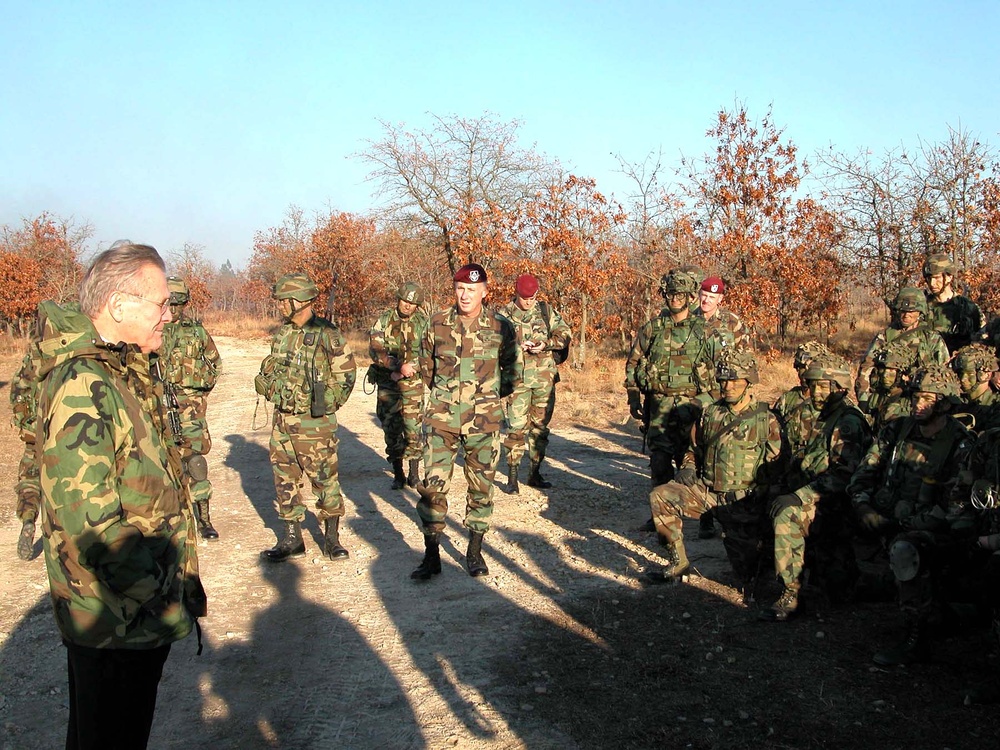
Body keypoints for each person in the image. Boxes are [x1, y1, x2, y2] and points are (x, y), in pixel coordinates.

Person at [35, 242, 206, 750]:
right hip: (114, 615)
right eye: (160, 303)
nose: (168, 315)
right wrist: (159, 598)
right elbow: (90, 523)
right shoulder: (82, 384)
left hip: (131, 611)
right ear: (117, 305)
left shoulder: (120, 371)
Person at [846, 364, 974, 665]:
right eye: (916, 397)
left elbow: (956, 506)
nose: (918, 404)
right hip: (885, 515)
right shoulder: (897, 430)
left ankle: (917, 637)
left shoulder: (960, 443)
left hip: (931, 527)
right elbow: (864, 473)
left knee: (906, 549)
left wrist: (905, 524)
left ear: (945, 404)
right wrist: (864, 506)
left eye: (927, 398)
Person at [410, 263, 520, 580]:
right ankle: (431, 555)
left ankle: (474, 551)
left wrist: (488, 398)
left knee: (481, 488)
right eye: (460, 289)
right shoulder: (436, 323)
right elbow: (427, 368)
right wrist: (445, 398)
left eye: (472, 290)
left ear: (484, 291)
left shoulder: (501, 327)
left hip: (484, 421)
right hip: (441, 420)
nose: (465, 295)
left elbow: (513, 371)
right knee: (432, 488)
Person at [646, 349, 783, 598]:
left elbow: (777, 469)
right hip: (707, 493)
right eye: (723, 380)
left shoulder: (766, 420)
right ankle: (678, 562)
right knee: (661, 496)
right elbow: (693, 449)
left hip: (742, 503)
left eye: (734, 380)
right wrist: (688, 466)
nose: (727, 387)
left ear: (748, 381)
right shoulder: (710, 414)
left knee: (747, 576)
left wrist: (763, 508)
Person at [255, 273, 357, 562]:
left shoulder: (327, 334)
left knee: (324, 479)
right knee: (284, 478)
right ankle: (292, 538)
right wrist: (267, 383)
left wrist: (323, 404)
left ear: (297, 301)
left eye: (283, 301)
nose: (279, 306)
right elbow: (276, 368)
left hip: (314, 423)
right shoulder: (284, 333)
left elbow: (346, 375)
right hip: (283, 420)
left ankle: (332, 538)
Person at [762, 353, 871, 620]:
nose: (816, 392)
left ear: (840, 387)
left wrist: (799, 496)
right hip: (817, 498)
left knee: (787, 514)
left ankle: (792, 593)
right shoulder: (819, 415)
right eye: (813, 385)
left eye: (823, 386)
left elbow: (844, 476)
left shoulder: (848, 421)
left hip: (836, 504)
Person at [625, 269, 721, 491]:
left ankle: (696, 510)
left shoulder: (705, 331)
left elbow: (722, 372)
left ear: (689, 297)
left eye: (680, 294)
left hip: (694, 409)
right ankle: (661, 507)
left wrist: (710, 403)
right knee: (659, 464)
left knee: (693, 467)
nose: (675, 299)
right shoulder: (653, 329)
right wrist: (633, 398)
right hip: (660, 408)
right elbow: (633, 363)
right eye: (670, 294)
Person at [158, 277, 222, 539]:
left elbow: (215, 365)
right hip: (156, 407)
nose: (173, 310)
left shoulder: (196, 332)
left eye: (178, 304)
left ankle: (204, 519)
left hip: (190, 409)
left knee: (195, 462)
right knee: (157, 463)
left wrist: (196, 392)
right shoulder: (149, 331)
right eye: (168, 304)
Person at [499, 273, 571, 491]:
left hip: (543, 381)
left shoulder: (545, 311)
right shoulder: (503, 315)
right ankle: (512, 477)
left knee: (540, 428)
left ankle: (534, 473)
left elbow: (565, 334)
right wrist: (514, 347)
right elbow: (491, 344)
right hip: (517, 382)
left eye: (532, 298)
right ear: (516, 293)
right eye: (524, 298)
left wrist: (545, 344)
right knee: (516, 429)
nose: (528, 302)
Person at [368, 281, 429, 489]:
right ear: (398, 299)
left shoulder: (424, 323)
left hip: (412, 383)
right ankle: (398, 473)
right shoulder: (384, 321)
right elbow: (376, 349)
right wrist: (395, 367)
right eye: (405, 301)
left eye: (412, 303)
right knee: (391, 428)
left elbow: (431, 351)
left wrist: (411, 367)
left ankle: (414, 474)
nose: (408, 305)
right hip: (388, 383)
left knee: (413, 429)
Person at [855, 287, 948, 410]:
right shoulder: (885, 336)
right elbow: (866, 368)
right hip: (886, 400)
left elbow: (944, 372)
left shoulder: (931, 338)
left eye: (911, 311)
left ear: (920, 312)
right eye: (902, 310)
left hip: (918, 402)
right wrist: (864, 401)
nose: (906, 315)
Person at [9, 339, 42, 560]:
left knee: (30, 479)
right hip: (64, 432)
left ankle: (28, 518)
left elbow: (17, 393)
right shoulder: (74, 354)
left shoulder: (33, 358)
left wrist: (26, 425)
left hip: (34, 432)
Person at [922, 252, 982, 353]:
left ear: (949, 277)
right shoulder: (921, 308)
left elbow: (982, 340)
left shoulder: (968, 308)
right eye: (929, 278)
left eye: (937, 278)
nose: (932, 283)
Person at [861, 339, 915, 433]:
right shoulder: (877, 395)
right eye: (883, 369)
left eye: (891, 370)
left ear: (901, 373)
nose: (885, 375)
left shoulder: (909, 401)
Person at [693, 275, 752, 350]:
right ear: (699, 295)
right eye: (704, 295)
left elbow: (746, 351)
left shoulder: (732, 321)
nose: (706, 300)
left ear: (720, 299)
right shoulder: (688, 318)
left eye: (712, 297)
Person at [951, 343, 999, 432]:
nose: (963, 379)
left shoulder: (995, 407)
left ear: (986, 375)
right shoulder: (956, 403)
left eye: (970, 374)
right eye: (961, 373)